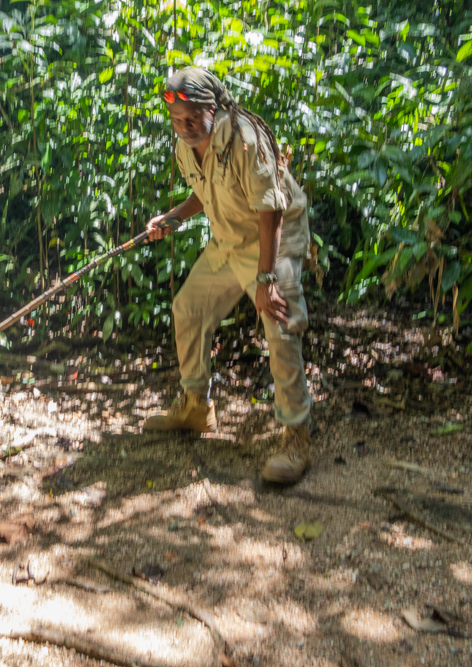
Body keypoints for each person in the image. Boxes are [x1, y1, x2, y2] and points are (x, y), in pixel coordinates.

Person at [143, 67, 314, 484]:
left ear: (213, 109)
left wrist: (266, 280)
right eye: (176, 120)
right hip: (231, 237)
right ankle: (195, 407)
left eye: (191, 118)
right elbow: (207, 192)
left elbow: (271, 210)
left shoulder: (245, 140)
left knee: (279, 323)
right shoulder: (187, 145)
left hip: (274, 239)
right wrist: (174, 217)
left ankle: (296, 436)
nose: (184, 127)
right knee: (189, 307)